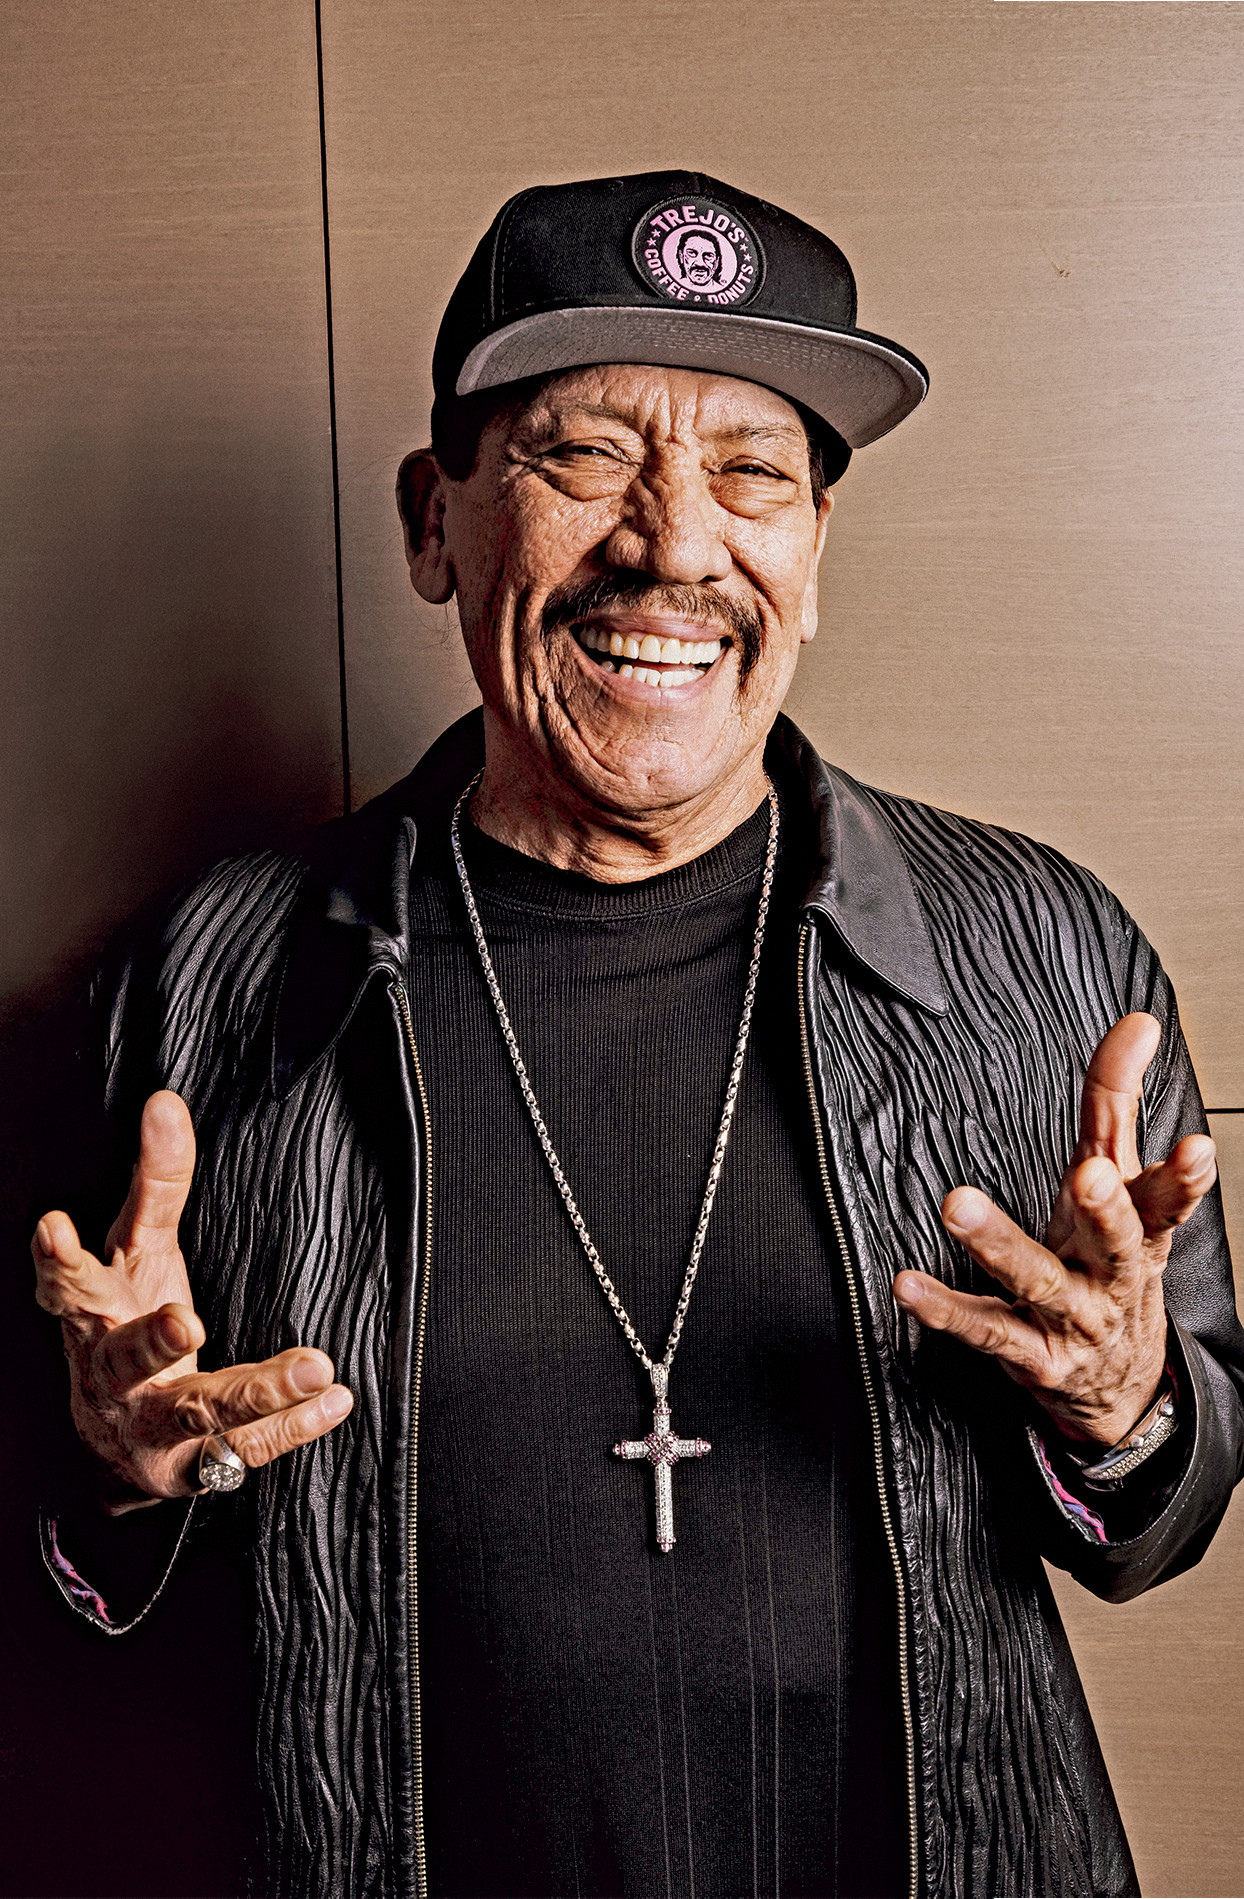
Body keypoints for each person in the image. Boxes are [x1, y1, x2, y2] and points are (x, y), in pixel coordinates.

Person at [32, 170, 1243, 1899]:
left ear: (814, 554)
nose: (676, 545)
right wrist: (117, 1478)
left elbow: (1163, 1518)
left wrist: (1125, 1407)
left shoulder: (1041, 950)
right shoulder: (208, 979)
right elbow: (67, 1574)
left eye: (754, 473)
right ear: (435, 522)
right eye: (585, 454)